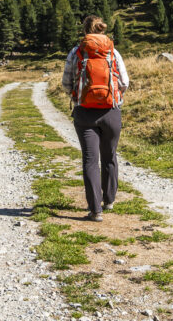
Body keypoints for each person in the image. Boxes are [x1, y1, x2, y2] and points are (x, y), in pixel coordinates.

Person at [61, 15, 129, 221]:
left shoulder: (76, 52)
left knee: (90, 160)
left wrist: (78, 94)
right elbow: (124, 81)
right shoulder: (112, 51)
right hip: (111, 111)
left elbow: (66, 83)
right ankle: (109, 200)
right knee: (110, 156)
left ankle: (95, 211)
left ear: (84, 31)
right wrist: (114, 97)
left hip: (84, 113)